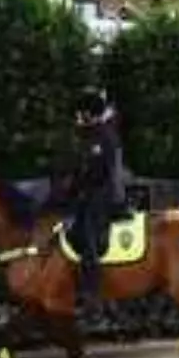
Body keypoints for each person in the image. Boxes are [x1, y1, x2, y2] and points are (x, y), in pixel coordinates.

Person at [63, 87, 126, 301]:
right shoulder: (88, 137)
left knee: (88, 231)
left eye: (80, 113)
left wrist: (77, 186)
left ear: (89, 114)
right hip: (90, 193)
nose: (77, 118)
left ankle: (92, 291)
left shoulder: (104, 136)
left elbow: (98, 172)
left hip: (105, 195)